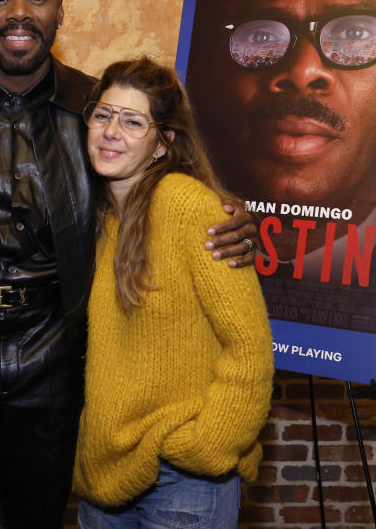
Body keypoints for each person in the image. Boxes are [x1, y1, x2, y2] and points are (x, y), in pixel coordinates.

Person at [0, 0, 260, 529]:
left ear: (60, 11)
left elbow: (163, 177)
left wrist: (231, 216)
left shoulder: (92, 110)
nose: (19, 11)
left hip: (55, 363)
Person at [73, 57, 274, 528]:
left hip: (182, 481)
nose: (110, 131)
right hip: (104, 479)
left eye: (132, 121)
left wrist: (206, 445)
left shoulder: (190, 208)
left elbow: (250, 347)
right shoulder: (98, 217)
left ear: (164, 142)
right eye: (103, 115)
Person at [185, 0, 376, 336]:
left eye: (354, 33)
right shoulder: (168, 251)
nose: (303, 71)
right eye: (261, 35)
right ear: (210, 69)